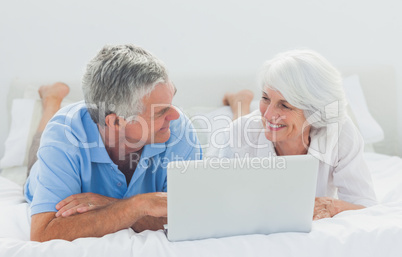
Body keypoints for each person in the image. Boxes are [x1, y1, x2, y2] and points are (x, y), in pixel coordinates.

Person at [24, 44, 201, 242]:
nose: (176, 115)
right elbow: (43, 233)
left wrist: (114, 205)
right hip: (42, 168)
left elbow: (195, 216)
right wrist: (139, 205)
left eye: (171, 102)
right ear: (116, 122)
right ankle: (52, 99)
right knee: (35, 153)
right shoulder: (63, 135)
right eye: (160, 112)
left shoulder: (177, 128)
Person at [217, 49, 377, 220]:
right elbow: (218, 203)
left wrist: (333, 206)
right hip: (244, 131)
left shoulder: (340, 132)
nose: (268, 114)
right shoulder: (237, 134)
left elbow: (365, 206)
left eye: (284, 105)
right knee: (245, 126)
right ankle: (239, 103)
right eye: (265, 98)